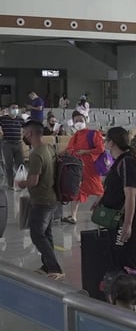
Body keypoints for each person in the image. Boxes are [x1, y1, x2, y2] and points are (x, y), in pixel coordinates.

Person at [17, 120, 63, 280]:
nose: (23, 136)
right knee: (47, 233)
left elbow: (33, 180)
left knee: (37, 234)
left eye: (24, 133)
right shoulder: (49, 148)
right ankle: (47, 266)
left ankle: (55, 268)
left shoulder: (36, 153)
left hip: (42, 200)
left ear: (29, 134)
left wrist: (21, 183)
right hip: (52, 197)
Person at [95, 127, 136, 272]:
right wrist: (102, 198)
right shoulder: (121, 161)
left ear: (112, 142)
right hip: (118, 219)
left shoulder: (127, 162)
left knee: (127, 262)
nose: (105, 143)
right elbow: (117, 188)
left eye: (106, 140)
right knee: (119, 259)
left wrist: (128, 224)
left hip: (125, 220)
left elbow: (131, 195)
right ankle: (124, 291)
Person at [0, 106, 25, 188]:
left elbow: (25, 128)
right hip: (7, 144)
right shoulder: (3, 119)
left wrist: (22, 137)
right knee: (9, 164)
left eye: (17, 108)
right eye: (13, 108)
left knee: (20, 164)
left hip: (18, 143)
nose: (15, 110)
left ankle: (21, 182)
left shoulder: (20, 119)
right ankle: (10, 184)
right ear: (9, 110)